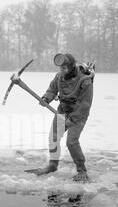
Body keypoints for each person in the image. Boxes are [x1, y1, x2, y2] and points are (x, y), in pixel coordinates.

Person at [26, 53, 94, 182]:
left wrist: (73, 119)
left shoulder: (85, 80)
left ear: (72, 66)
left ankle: (81, 169)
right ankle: (53, 165)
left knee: (72, 142)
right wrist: (46, 98)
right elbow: (52, 90)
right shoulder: (59, 77)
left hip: (79, 115)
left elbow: (85, 104)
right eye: (61, 68)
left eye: (65, 68)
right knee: (53, 138)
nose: (63, 71)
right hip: (62, 111)